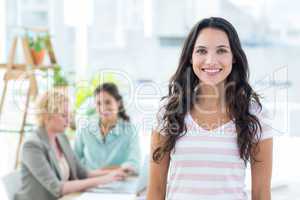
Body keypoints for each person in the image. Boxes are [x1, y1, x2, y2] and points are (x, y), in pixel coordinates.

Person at [147, 17, 274, 200]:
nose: (211, 60)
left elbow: (262, 194)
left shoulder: (255, 114)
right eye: (201, 51)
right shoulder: (167, 112)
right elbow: (156, 190)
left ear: (234, 57)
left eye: (221, 50)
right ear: (190, 57)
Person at [15, 90, 126, 200]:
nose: (68, 120)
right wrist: (104, 179)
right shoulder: (32, 145)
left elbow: (83, 173)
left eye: (69, 115)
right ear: (46, 116)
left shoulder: (61, 138)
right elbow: (58, 188)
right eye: (63, 115)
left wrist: (113, 173)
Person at [74, 83, 141, 174]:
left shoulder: (130, 131)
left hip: (118, 182)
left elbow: (134, 164)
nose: (103, 107)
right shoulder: (84, 128)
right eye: (98, 103)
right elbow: (74, 160)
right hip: (89, 182)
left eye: (108, 102)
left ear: (118, 103)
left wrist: (101, 172)